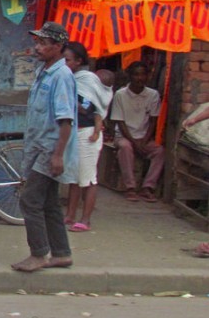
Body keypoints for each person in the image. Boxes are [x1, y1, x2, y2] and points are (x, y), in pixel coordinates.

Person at [12, 21, 77, 273]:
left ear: (58, 46)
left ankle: (38, 254)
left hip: (49, 150)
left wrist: (58, 155)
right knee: (49, 202)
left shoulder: (61, 76)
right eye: (37, 42)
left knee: (30, 199)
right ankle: (61, 253)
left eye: (43, 43)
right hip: (39, 147)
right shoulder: (45, 71)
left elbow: (66, 120)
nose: (37, 47)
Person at [63, 42, 113, 232]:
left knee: (88, 178)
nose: (64, 63)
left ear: (79, 61)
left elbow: (91, 107)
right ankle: (69, 215)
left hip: (88, 133)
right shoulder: (69, 78)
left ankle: (85, 219)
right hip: (74, 132)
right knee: (74, 178)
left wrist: (67, 99)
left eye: (67, 60)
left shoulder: (87, 79)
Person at [109, 61, 165, 203]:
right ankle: (131, 188)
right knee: (125, 147)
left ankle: (148, 187)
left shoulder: (153, 95)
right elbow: (120, 122)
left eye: (143, 74)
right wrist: (135, 143)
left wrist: (144, 141)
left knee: (160, 151)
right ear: (130, 76)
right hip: (124, 136)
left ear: (147, 76)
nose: (139, 78)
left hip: (143, 137)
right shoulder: (120, 94)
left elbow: (153, 121)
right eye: (136, 74)